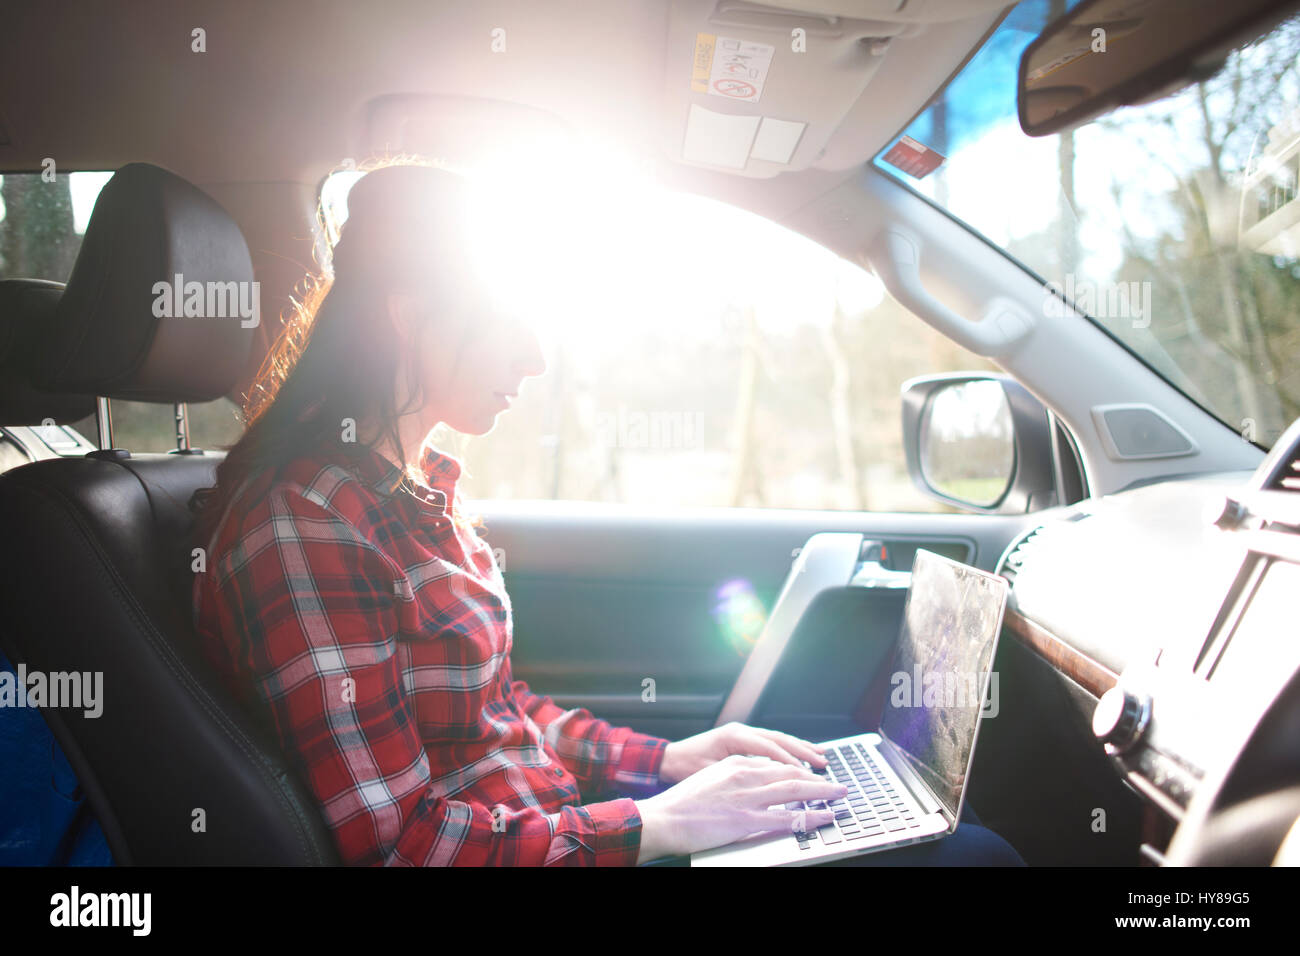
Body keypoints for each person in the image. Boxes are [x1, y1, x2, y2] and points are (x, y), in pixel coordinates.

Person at [191, 160, 1022, 866]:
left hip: (559, 830)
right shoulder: (304, 524)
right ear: (410, 312)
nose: (536, 356)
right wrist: (658, 824)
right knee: (970, 858)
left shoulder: (416, 489)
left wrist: (667, 761)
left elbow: (496, 718)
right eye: (509, 319)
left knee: (882, 794)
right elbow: (401, 846)